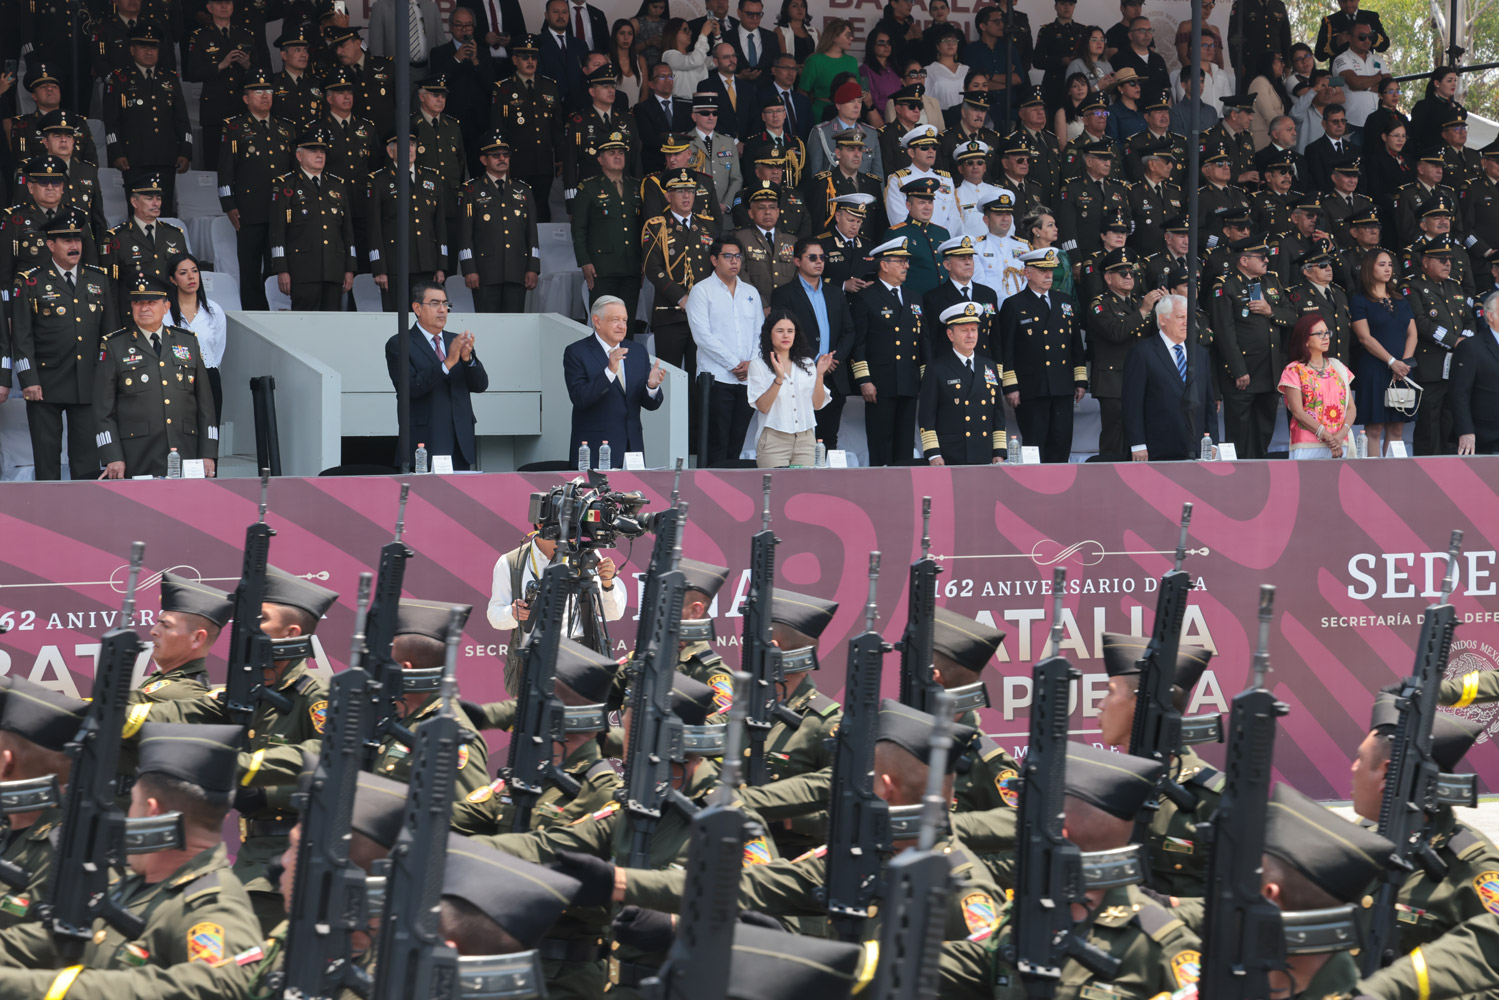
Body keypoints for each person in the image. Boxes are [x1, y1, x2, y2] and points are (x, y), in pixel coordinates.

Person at [0, 721, 262, 981]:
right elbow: (58, 936)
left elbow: (212, 989)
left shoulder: (210, 907)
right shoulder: (136, 885)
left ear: (152, 810)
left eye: (132, 803)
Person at [10, 211, 114, 481]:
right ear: (50, 244)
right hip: (45, 382)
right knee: (46, 459)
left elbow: (110, 335)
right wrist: (28, 379)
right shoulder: (30, 281)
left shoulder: (98, 279)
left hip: (87, 380)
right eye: (66, 240)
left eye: (76, 239)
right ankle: (47, 516)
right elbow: (21, 336)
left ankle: (85, 517)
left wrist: (108, 378)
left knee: (87, 460)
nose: (74, 246)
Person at [95, 275, 217, 479]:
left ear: (166, 306)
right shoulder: (115, 346)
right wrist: (111, 455)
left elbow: (206, 405)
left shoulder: (187, 342)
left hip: (186, 449)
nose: (144, 308)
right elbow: (102, 410)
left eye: (151, 302)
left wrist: (208, 452)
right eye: (138, 303)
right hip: (137, 453)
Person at [384, 280, 488, 470]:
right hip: (424, 443)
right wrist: (447, 363)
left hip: (460, 442)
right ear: (417, 308)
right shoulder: (400, 344)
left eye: (445, 304)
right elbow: (410, 388)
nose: (442, 310)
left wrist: (467, 360)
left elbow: (480, 385)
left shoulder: (454, 340)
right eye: (435, 303)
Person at [1210, 235, 1294, 459]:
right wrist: (1238, 370)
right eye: (1261, 257)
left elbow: (1292, 316)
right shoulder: (1225, 285)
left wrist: (1271, 311)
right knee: (1239, 431)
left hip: (1270, 369)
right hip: (1244, 371)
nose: (1267, 261)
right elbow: (1224, 332)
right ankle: (1236, 479)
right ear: (1244, 261)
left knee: (1265, 428)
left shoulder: (1272, 281)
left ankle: (1260, 475)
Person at [216, 69, 294, 311]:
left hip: (280, 211)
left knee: (276, 268)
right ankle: (253, 313)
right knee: (249, 268)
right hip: (249, 211)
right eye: (257, 91)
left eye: (268, 91)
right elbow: (225, 171)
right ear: (246, 98)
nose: (264, 96)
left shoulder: (286, 128)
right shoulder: (235, 128)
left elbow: (293, 173)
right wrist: (229, 205)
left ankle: (277, 312)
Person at [998, 247, 1085, 462]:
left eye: (1051, 270)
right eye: (1042, 270)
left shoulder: (1064, 301)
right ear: (1027, 273)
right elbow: (1006, 349)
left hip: (1062, 385)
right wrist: (1011, 386)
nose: (1049, 275)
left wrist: (1080, 379)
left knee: (1061, 441)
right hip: (1032, 387)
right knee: (1034, 445)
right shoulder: (1014, 305)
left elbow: (1075, 344)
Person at [771, 236, 855, 448]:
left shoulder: (835, 293)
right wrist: (816, 359)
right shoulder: (783, 294)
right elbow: (785, 336)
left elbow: (849, 331)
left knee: (830, 438)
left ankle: (829, 482)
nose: (819, 261)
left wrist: (833, 359)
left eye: (822, 257)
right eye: (812, 257)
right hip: (801, 374)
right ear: (797, 261)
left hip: (833, 374)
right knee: (803, 439)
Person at [101, 23, 192, 215]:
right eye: (143, 47)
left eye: (153, 47)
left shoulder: (170, 78)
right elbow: (112, 122)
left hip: (166, 157)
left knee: (164, 211)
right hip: (134, 157)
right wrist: (117, 152)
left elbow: (181, 119)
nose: (149, 52)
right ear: (132, 50)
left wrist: (186, 150)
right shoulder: (119, 79)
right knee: (138, 211)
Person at [564, 295, 665, 468]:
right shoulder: (577, 352)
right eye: (615, 320)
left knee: (633, 495)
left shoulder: (636, 351)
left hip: (632, 449)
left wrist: (651, 386)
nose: (622, 326)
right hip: (595, 449)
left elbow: (650, 404)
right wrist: (609, 372)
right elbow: (580, 398)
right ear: (597, 321)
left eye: (625, 320)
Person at [687, 235, 762, 466]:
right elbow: (703, 336)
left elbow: (760, 332)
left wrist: (751, 363)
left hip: (747, 379)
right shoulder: (702, 291)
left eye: (738, 256)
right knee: (715, 442)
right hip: (716, 378)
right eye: (727, 256)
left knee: (736, 442)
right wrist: (734, 363)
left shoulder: (751, 292)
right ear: (713, 259)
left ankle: (731, 496)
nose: (734, 261)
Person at [268, 126, 356, 312]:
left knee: (331, 325)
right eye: (313, 151)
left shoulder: (337, 185)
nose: (319, 155)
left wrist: (350, 268)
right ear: (299, 156)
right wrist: (281, 269)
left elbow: (347, 231)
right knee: (305, 325)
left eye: (322, 151)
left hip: (334, 268)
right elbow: (278, 232)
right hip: (303, 270)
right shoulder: (286, 185)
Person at [1088, 246, 1162, 459]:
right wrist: (1144, 311)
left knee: (1141, 437)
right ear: (1108, 278)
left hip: (1142, 379)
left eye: (1132, 273)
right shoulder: (1100, 304)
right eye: (1123, 273)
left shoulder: (1140, 302)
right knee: (1115, 437)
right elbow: (1116, 332)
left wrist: (1164, 306)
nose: (1129, 277)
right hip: (1113, 381)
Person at [1122, 293, 1216, 461]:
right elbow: (1132, 404)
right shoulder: (1143, 352)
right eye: (1180, 317)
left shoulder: (1200, 353)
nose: (1187, 323)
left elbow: (1208, 401)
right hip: (1158, 448)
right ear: (1163, 320)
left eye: (1190, 317)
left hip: (1197, 448)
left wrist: (1213, 443)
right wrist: (1138, 444)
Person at [457, 129, 540, 314]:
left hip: (517, 271)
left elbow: (532, 234)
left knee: (515, 326)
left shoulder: (523, 190)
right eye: (495, 155)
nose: (502, 158)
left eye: (505, 154)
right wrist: (469, 268)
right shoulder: (471, 191)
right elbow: (465, 234)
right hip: (485, 272)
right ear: (483, 160)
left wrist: (533, 268)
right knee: (488, 327)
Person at [368, 125, 449, 313]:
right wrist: (379, 268)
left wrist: (441, 265)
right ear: (390, 151)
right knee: (396, 318)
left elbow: (440, 226)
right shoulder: (379, 181)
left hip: (426, 263)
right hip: (393, 265)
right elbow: (374, 228)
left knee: (425, 317)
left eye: (412, 144)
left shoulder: (432, 178)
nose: (409, 149)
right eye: (403, 145)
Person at [641, 166, 715, 369]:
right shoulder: (657, 226)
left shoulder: (706, 225)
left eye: (690, 191)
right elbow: (653, 269)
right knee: (669, 375)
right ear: (668, 196)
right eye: (680, 191)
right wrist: (681, 298)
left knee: (699, 375)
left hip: (702, 314)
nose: (686, 196)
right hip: (670, 313)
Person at [917, 300, 1004, 466]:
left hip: (984, 452)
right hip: (951, 453)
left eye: (974, 330)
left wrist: (999, 451)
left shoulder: (989, 365)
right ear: (950, 335)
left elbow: (998, 414)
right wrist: (933, 454)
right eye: (964, 330)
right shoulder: (936, 368)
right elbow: (927, 416)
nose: (970, 335)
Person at [1405, 238, 1471, 455]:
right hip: (1430, 367)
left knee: (1451, 422)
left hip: (1457, 366)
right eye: (1441, 259)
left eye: (1450, 259)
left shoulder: (1454, 285)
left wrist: (1465, 341)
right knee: (1429, 426)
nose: (1448, 264)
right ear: (1425, 261)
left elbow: (1469, 319)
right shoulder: (1413, 285)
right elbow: (1421, 322)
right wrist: (1453, 341)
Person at [571, 131, 643, 327]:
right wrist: (584, 261)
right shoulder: (589, 188)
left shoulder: (636, 186)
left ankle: (623, 359)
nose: (618, 156)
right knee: (604, 324)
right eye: (611, 153)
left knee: (625, 324)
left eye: (620, 152)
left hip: (631, 266)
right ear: (600, 159)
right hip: (602, 268)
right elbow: (578, 229)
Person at [491, 35, 564, 224]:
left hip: (544, 162)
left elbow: (556, 127)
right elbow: (498, 129)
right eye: (525, 57)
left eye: (534, 57)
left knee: (541, 210)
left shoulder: (549, 86)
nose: (530, 62)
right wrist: (501, 161)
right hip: (517, 163)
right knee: (517, 211)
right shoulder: (503, 89)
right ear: (515, 60)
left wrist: (560, 157)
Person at [1351, 246, 1417, 456]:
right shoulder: (1360, 300)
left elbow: (1412, 334)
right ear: (1370, 268)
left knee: (1398, 426)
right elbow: (1364, 337)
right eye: (1382, 264)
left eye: (1390, 264)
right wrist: (1391, 362)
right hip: (1375, 368)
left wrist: (1404, 363)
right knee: (1375, 426)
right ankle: (1372, 476)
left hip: (1402, 369)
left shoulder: (1400, 299)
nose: (1388, 269)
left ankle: (1392, 477)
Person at [185, 0, 264, 173]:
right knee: (215, 164)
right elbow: (193, 72)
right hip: (214, 109)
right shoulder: (199, 36)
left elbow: (259, 73)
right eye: (218, 3)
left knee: (244, 165)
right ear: (209, 7)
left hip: (241, 108)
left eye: (227, 2)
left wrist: (247, 65)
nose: (224, 6)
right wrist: (220, 65)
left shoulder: (245, 34)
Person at [747, 309, 831, 466]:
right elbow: (763, 407)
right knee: (775, 490)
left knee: (805, 488)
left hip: (805, 439)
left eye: (790, 331)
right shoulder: (758, 365)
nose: (786, 336)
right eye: (780, 331)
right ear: (769, 334)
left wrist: (819, 375)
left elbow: (817, 405)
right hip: (773, 439)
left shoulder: (807, 363)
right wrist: (778, 379)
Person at [138, 572, 233, 702]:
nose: (153, 631)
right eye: (158, 623)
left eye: (166, 626)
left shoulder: (178, 694)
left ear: (197, 638)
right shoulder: (168, 680)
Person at [100, 174, 187, 313]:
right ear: (134, 202)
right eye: (149, 198)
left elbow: (184, 278)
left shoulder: (175, 235)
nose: (156, 203)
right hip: (134, 316)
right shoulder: (116, 237)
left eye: (158, 198)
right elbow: (111, 288)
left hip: (170, 315)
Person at [1277, 313, 1355, 459]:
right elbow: (1298, 412)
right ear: (1305, 340)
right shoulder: (1294, 370)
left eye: (1327, 332)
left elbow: (1351, 408)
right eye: (1319, 334)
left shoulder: (1338, 368)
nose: (1326, 337)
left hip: (1339, 444)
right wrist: (1326, 435)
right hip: (1307, 445)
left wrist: (1339, 436)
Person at [165, 252, 225, 421]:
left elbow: (217, 350)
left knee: (210, 433)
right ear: (172, 279)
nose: (191, 277)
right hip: (173, 378)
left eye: (195, 271)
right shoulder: (164, 311)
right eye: (183, 273)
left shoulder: (214, 311)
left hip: (208, 377)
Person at [413, 75, 469, 240]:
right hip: (423, 201)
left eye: (443, 96)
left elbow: (460, 162)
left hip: (450, 200)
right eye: (435, 95)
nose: (440, 100)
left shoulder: (452, 126)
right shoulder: (412, 125)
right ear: (422, 97)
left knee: (450, 251)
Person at [1287, 247, 1354, 365]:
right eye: (1322, 265)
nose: (1329, 268)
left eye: (1329, 264)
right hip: (1312, 368)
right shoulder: (1297, 296)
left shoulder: (1339, 293)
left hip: (1341, 366)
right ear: (1307, 272)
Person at [807, 78, 882, 179]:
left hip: (864, 193)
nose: (857, 106)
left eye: (859, 101)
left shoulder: (870, 133)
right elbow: (815, 176)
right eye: (851, 101)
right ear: (838, 105)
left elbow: (878, 175)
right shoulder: (821, 132)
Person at [1454, 290, 1499, 454]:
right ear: (1490, 316)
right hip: (1486, 436)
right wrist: (1466, 431)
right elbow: (1460, 393)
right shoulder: (1471, 347)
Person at [687, 92, 742, 214]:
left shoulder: (728, 142)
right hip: (695, 214)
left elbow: (736, 178)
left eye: (715, 113)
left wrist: (726, 204)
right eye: (705, 113)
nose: (711, 117)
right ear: (694, 116)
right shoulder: (685, 142)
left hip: (724, 216)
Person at [636, 63, 694, 175]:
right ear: (651, 84)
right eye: (662, 77)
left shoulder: (686, 107)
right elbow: (648, 138)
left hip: (682, 167)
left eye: (670, 76)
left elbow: (690, 135)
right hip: (656, 167)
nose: (667, 80)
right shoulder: (642, 108)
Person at [1035, 0, 1090, 111]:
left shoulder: (1083, 30)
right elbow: (1037, 61)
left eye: (1070, 4)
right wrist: (1061, 61)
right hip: (1055, 84)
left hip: (1079, 83)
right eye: (1063, 4)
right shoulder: (1047, 30)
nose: (1067, 7)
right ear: (1055, 6)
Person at [800, 19, 858, 121]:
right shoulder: (815, 60)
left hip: (848, 115)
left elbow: (857, 92)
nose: (851, 38)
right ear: (835, 36)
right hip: (820, 114)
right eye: (847, 35)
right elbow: (802, 93)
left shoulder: (852, 61)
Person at [1110, 16, 1168, 97]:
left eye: (1150, 30)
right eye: (1142, 30)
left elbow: (1165, 89)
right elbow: (1114, 93)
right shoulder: (1119, 59)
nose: (1147, 34)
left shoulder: (1158, 59)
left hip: (1158, 109)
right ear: (1130, 35)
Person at [1303, 105, 1354, 196]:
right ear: (1324, 124)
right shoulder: (1314, 149)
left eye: (1343, 121)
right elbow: (1319, 181)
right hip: (1328, 201)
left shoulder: (1354, 148)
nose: (1340, 125)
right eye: (1335, 121)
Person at [1409, 65, 1461, 154]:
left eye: (1454, 80)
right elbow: (1416, 136)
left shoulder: (1458, 107)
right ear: (1437, 83)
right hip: (1430, 155)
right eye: (1449, 81)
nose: (1453, 84)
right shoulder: (1424, 106)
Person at [661, 17, 714, 99]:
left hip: (701, 102)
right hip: (681, 104)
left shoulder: (693, 55)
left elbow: (716, 61)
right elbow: (694, 61)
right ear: (673, 32)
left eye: (689, 30)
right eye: (685, 30)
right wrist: (703, 35)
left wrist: (717, 36)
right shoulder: (669, 55)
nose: (689, 33)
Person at [1247, 52, 1289, 151]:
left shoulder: (1269, 83)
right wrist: (1287, 131)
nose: (1283, 64)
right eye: (1280, 60)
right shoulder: (1260, 82)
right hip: (1263, 140)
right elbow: (1269, 115)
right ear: (1268, 63)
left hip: (1274, 138)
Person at [861, 26, 901, 116]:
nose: (886, 46)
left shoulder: (895, 69)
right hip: (879, 119)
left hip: (901, 117)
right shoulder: (864, 70)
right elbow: (868, 100)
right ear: (872, 45)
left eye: (889, 43)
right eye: (881, 43)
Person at [1066, 26, 1115, 95]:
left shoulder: (1106, 64)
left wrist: (1113, 84)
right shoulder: (1076, 65)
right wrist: (1097, 87)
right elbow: (1073, 95)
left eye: (1102, 39)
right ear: (1086, 43)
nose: (1099, 43)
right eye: (1094, 40)